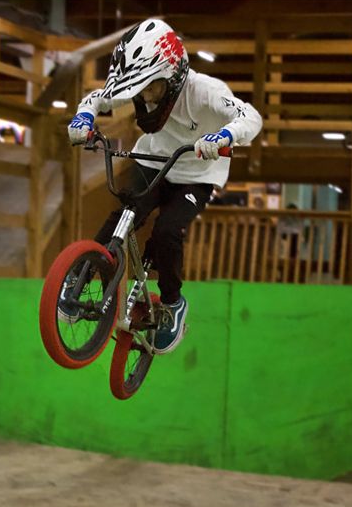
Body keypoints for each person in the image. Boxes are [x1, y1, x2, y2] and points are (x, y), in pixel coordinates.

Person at [65, 18, 262, 354]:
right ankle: (78, 278)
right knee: (126, 214)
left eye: (150, 87)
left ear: (173, 75)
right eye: (138, 89)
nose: (145, 97)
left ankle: (172, 302)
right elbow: (97, 98)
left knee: (168, 231)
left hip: (197, 175)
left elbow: (251, 117)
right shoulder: (144, 89)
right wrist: (83, 117)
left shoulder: (206, 92)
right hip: (153, 161)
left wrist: (225, 136)